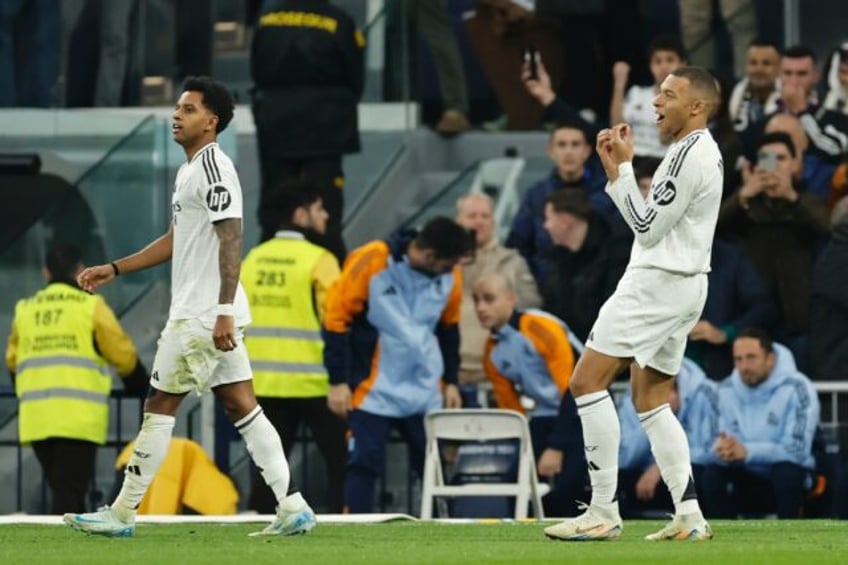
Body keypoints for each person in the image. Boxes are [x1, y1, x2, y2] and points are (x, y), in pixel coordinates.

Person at [63, 76, 316, 538]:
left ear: (211, 121)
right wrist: (116, 268)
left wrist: (222, 310)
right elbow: (178, 239)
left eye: (189, 109)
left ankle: (121, 513)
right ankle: (292, 504)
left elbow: (232, 236)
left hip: (201, 314)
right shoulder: (190, 170)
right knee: (244, 406)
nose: (176, 115)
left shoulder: (216, 167)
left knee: (160, 404)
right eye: (177, 108)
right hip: (209, 311)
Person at [544, 66, 722, 541]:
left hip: (656, 284)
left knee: (585, 382)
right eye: (658, 93)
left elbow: (646, 228)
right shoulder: (698, 152)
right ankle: (688, 514)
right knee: (651, 401)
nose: (655, 103)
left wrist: (620, 172)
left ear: (697, 106)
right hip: (686, 284)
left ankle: (603, 510)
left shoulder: (688, 156)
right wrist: (622, 169)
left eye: (668, 94)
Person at [323, 216, 474, 512]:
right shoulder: (372, 260)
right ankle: (358, 537)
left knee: (435, 467)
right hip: (373, 390)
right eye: (447, 265)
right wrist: (337, 380)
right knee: (362, 464)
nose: (450, 272)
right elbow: (335, 320)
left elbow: (449, 330)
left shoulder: (451, 275)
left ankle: (447, 533)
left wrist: (452, 381)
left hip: (425, 389)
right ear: (430, 256)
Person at [5, 244, 147, 514]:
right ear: (80, 271)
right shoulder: (90, 306)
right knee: (70, 493)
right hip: (78, 419)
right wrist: (139, 385)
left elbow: (12, 361)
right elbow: (122, 354)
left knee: (62, 487)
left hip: (36, 417)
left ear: (46, 272)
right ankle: (65, 551)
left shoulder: (26, 309)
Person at [241, 180, 347, 513]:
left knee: (268, 469)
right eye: (319, 208)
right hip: (315, 382)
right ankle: (347, 523)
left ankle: (262, 524)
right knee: (341, 464)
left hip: (263, 383)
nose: (326, 215)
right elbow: (338, 320)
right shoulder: (320, 259)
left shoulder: (252, 260)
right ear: (300, 214)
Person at [250, 0, 365, 262]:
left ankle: (265, 271)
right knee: (323, 211)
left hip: (276, 124)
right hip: (325, 127)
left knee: (275, 207)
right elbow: (355, 78)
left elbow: (257, 69)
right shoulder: (338, 21)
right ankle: (328, 279)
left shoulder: (267, 16)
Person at [472, 272, 588, 517]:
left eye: (489, 299)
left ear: (511, 299)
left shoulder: (540, 327)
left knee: (569, 487)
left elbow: (575, 389)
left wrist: (555, 447)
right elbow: (513, 410)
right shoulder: (491, 351)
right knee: (515, 480)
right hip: (546, 414)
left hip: (585, 409)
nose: (481, 307)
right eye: (476, 300)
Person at [717, 132, 830, 371]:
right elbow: (712, 229)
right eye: (767, 159)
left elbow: (827, 228)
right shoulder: (744, 205)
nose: (775, 165)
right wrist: (744, 194)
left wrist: (790, 196)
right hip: (752, 320)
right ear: (756, 164)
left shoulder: (808, 200)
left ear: (795, 163)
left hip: (797, 320)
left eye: (781, 158)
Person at [701, 328, 820, 519]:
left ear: (770, 358)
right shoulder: (725, 390)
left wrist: (747, 452)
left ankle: (788, 537)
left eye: (751, 357)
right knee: (711, 475)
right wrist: (722, 449)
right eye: (738, 359)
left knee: (787, 474)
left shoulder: (798, 387)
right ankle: (724, 540)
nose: (744, 366)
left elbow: (797, 451)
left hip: (786, 472)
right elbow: (709, 443)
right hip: (742, 471)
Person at [454, 193, 541, 407]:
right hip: (450, 374)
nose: (479, 221)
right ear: (459, 222)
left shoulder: (512, 262)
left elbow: (531, 312)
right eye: (472, 215)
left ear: (493, 222)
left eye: (485, 216)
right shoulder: (443, 265)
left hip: (496, 374)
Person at [506, 120, 610, 281]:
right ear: (551, 151)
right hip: (546, 287)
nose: (568, 152)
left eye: (575, 145)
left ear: (587, 151)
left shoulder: (607, 192)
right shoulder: (536, 195)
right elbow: (518, 245)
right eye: (561, 145)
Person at [616, 358, 718, 519]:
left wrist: (660, 468)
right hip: (643, 474)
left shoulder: (704, 391)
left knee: (705, 475)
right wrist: (652, 415)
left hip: (687, 469)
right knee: (614, 479)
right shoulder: (629, 398)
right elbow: (623, 457)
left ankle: (695, 522)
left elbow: (710, 449)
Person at [540, 188, 632, 343]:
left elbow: (614, 309)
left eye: (549, 218)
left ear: (565, 221)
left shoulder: (617, 250)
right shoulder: (558, 258)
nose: (546, 226)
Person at [686, 238, 775, 381]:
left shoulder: (730, 259)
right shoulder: (654, 259)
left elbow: (763, 308)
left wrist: (725, 333)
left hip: (723, 372)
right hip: (670, 374)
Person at [609, 35, 687, 161]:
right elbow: (618, 129)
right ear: (651, 66)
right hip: (632, 160)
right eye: (658, 61)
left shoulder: (687, 100)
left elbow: (665, 138)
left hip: (663, 162)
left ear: (682, 64)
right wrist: (619, 85)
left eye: (670, 60)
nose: (663, 66)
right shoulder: (636, 93)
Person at [728, 39, 781, 154]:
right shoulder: (737, 93)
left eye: (766, 63)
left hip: (774, 165)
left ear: (778, 68)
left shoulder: (787, 98)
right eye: (753, 63)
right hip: (743, 165)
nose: (759, 69)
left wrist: (765, 169)